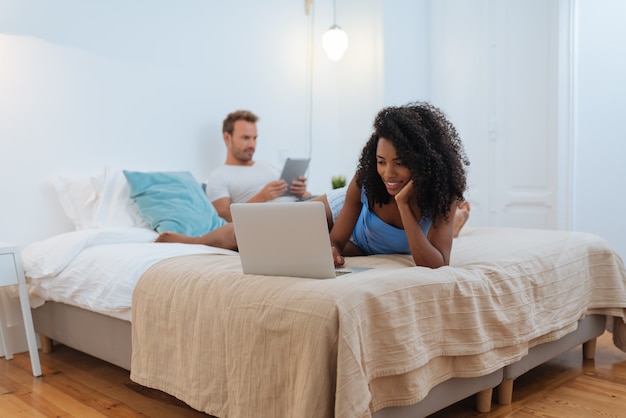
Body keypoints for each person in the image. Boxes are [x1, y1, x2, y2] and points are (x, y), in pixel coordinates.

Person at [329, 102, 470, 269]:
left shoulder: (443, 195)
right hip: (343, 207)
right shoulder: (366, 179)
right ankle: (455, 221)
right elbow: (336, 240)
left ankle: (455, 220)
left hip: (364, 243)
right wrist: (332, 250)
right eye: (381, 161)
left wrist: (403, 204)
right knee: (294, 228)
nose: (388, 173)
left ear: (425, 162)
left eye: (400, 163)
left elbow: (436, 265)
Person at [205, 110, 310, 222]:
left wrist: (301, 192)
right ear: (227, 138)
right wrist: (262, 197)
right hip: (278, 220)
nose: (252, 145)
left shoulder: (270, 165)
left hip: (302, 209)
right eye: (245, 138)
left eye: (254, 138)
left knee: (329, 201)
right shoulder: (218, 177)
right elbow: (225, 220)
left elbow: (309, 197)